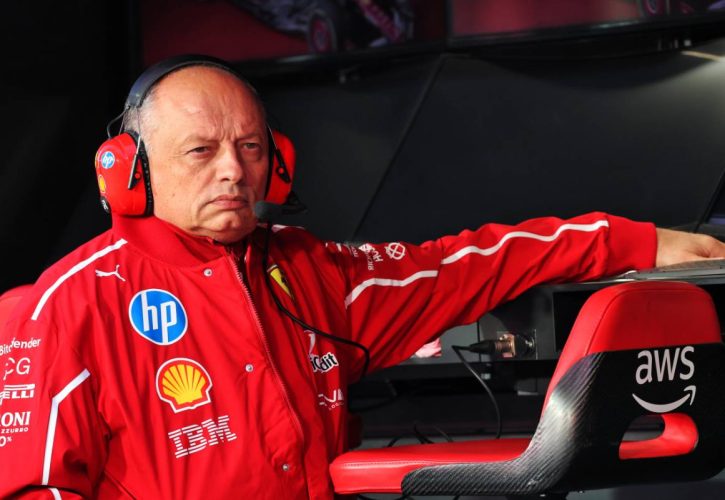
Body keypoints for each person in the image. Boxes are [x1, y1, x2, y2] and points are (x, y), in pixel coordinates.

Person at [1, 56, 724, 500]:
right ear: (128, 170)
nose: (232, 171)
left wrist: (629, 241)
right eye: (200, 150)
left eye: (249, 147)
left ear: (277, 163)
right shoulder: (66, 307)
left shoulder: (310, 271)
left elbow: (465, 263)